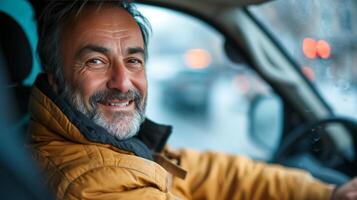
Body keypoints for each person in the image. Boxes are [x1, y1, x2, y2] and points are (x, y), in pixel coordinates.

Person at [28, 1, 357, 199]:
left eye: (133, 60)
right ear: (57, 77)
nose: (122, 82)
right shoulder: (94, 183)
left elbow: (211, 173)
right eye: (96, 61)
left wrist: (324, 193)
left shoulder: (110, 142)